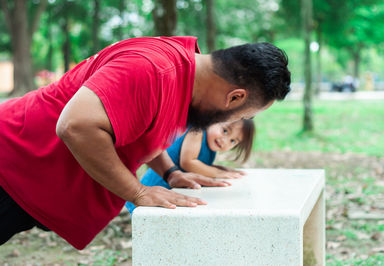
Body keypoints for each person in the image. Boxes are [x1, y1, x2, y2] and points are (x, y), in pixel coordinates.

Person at [0, 36, 291, 249]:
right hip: (12, 163)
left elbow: (141, 126)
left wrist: (171, 173)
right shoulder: (152, 69)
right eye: (246, 114)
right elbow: (76, 126)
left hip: (33, 180)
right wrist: (138, 192)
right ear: (235, 98)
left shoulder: (186, 78)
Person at [125, 119, 255, 213]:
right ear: (214, 119)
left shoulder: (211, 147)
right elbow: (188, 162)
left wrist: (219, 169)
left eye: (233, 141)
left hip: (173, 192)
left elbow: (198, 165)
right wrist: (217, 173)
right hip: (158, 186)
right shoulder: (197, 130)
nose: (224, 140)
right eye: (225, 131)